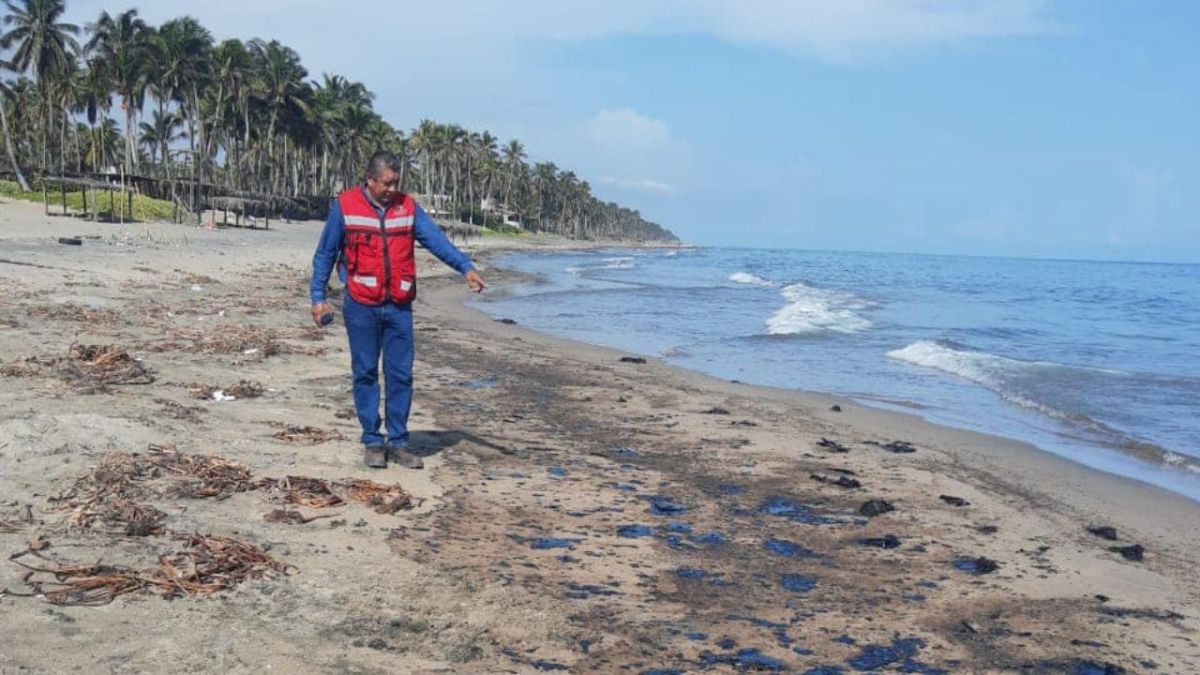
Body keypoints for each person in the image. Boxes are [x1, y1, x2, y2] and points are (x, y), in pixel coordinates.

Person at [310, 150, 486, 469]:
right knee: (365, 371)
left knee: (400, 375)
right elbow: (325, 253)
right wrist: (317, 297)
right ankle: (373, 441)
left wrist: (465, 268)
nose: (393, 189)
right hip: (361, 304)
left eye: (396, 182)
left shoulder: (408, 207)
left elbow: (436, 241)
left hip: (399, 306)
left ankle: (399, 441)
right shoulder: (345, 206)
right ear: (370, 180)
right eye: (387, 183)